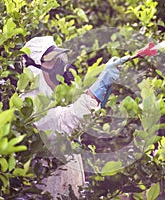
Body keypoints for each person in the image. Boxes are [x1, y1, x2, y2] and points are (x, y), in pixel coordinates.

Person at [20, 36, 129, 198]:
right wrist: (98, 86)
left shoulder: (53, 97)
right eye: (51, 60)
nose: (59, 65)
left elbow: (76, 112)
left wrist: (100, 89)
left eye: (60, 59)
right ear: (33, 67)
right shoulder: (29, 102)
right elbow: (65, 122)